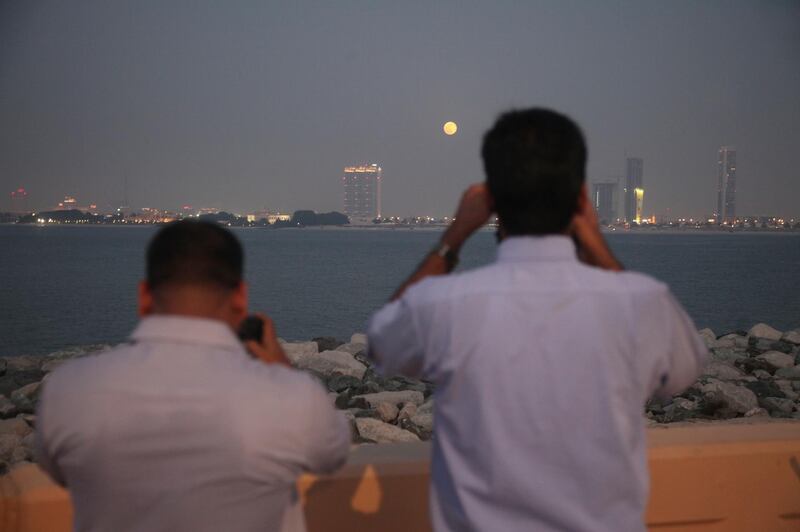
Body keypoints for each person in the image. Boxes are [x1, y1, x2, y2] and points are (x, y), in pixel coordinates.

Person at [367, 108, 707, 532]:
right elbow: (684, 369)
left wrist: (453, 237)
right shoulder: (641, 303)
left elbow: (381, 341)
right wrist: (597, 244)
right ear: (581, 199)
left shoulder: (445, 305)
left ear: (489, 199)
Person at [36, 221, 350, 532]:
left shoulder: (68, 389)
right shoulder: (291, 397)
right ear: (240, 297)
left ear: (144, 296)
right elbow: (331, 455)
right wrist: (282, 367)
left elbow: (59, 471)